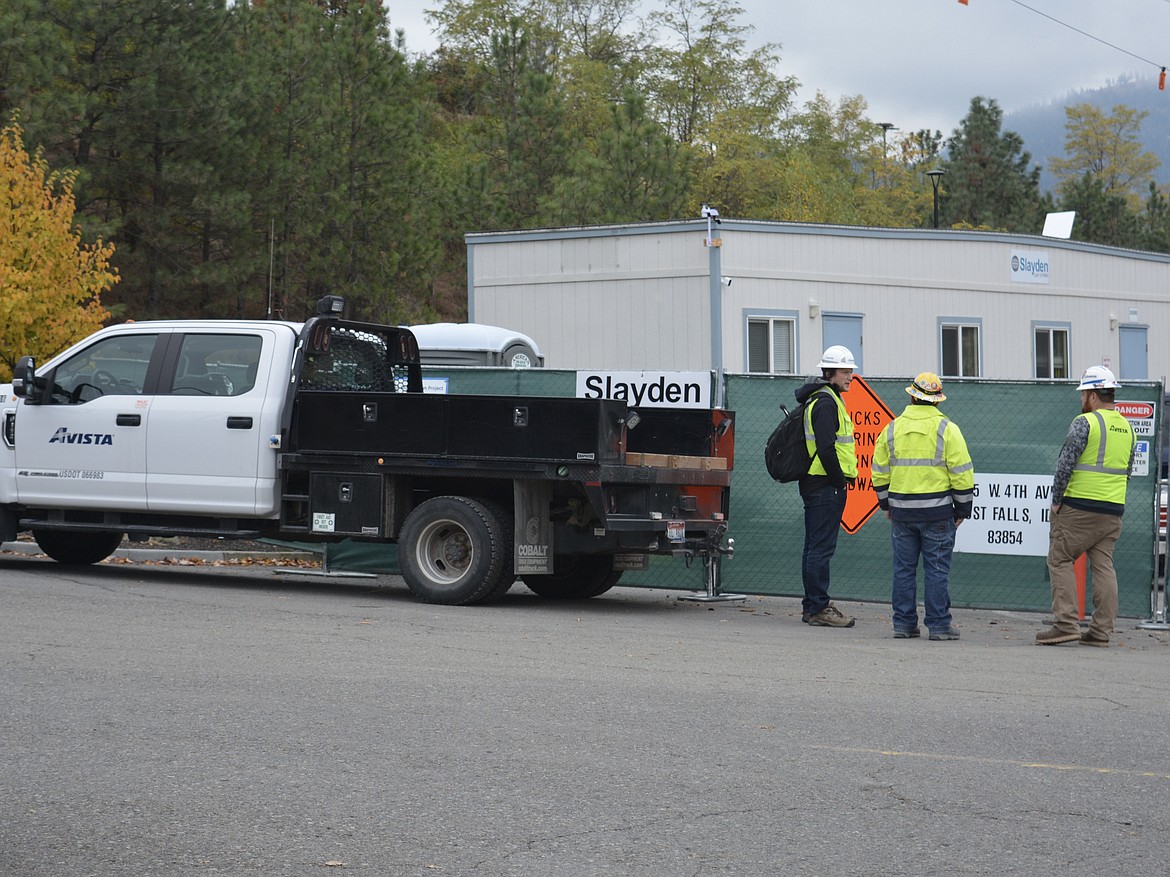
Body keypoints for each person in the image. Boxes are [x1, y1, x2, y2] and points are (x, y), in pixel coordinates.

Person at [1037, 365, 1136, 647]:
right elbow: (1127, 470)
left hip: (1079, 507)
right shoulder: (1126, 427)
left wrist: (1057, 501)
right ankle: (1100, 632)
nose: (1081, 400)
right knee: (1103, 566)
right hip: (1112, 509)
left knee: (1060, 559)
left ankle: (1066, 624)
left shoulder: (1085, 422)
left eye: (1083, 394)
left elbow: (1065, 463)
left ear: (1092, 396)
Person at [871, 373, 974, 641]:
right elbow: (961, 472)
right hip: (938, 513)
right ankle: (939, 626)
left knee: (903, 569)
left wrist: (885, 503)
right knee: (936, 569)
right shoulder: (947, 429)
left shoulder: (892, 429)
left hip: (901, 512)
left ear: (911, 396)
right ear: (938, 401)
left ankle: (903, 624)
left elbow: (879, 471)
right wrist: (962, 509)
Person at [796, 345, 858, 627]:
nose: (850, 377)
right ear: (830, 373)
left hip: (818, 482)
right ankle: (818, 607)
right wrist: (838, 481)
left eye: (851, 371)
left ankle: (813, 606)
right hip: (823, 484)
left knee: (815, 547)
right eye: (845, 371)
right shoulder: (825, 402)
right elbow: (825, 447)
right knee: (820, 548)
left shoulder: (824, 398)